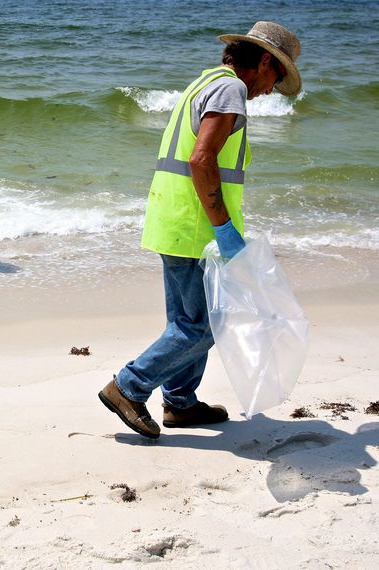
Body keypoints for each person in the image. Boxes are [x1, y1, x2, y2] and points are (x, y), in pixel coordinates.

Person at [98, 22, 302, 439]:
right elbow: (201, 159)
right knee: (203, 327)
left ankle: (180, 402)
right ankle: (127, 387)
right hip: (197, 227)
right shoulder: (231, 90)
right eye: (275, 78)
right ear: (264, 62)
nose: (269, 90)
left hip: (174, 220)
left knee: (188, 319)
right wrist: (224, 227)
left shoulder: (204, 83)